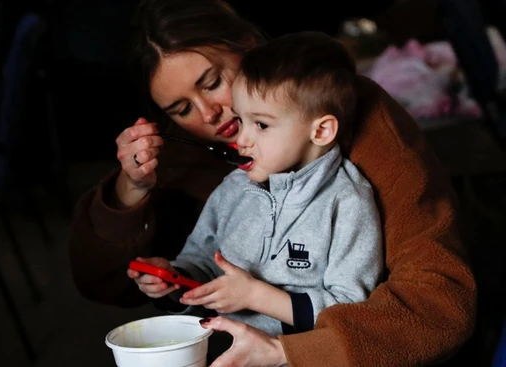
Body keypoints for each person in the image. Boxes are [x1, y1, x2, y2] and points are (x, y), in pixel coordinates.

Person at [68, 0, 477, 365]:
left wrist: (285, 347)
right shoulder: (214, 171)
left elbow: (436, 303)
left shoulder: (353, 166)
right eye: (180, 108)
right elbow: (102, 283)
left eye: (211, 82)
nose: (209, 114)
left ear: (248, 44)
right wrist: (140, 209)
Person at [129, 31, 383, 338]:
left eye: (260, 124)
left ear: (322, 131)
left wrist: (256, 297)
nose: (242, 138)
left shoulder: (347, 202)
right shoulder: (233, 188)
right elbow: (201, 261)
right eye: (241, 119)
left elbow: (351, 311)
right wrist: (176, 277)